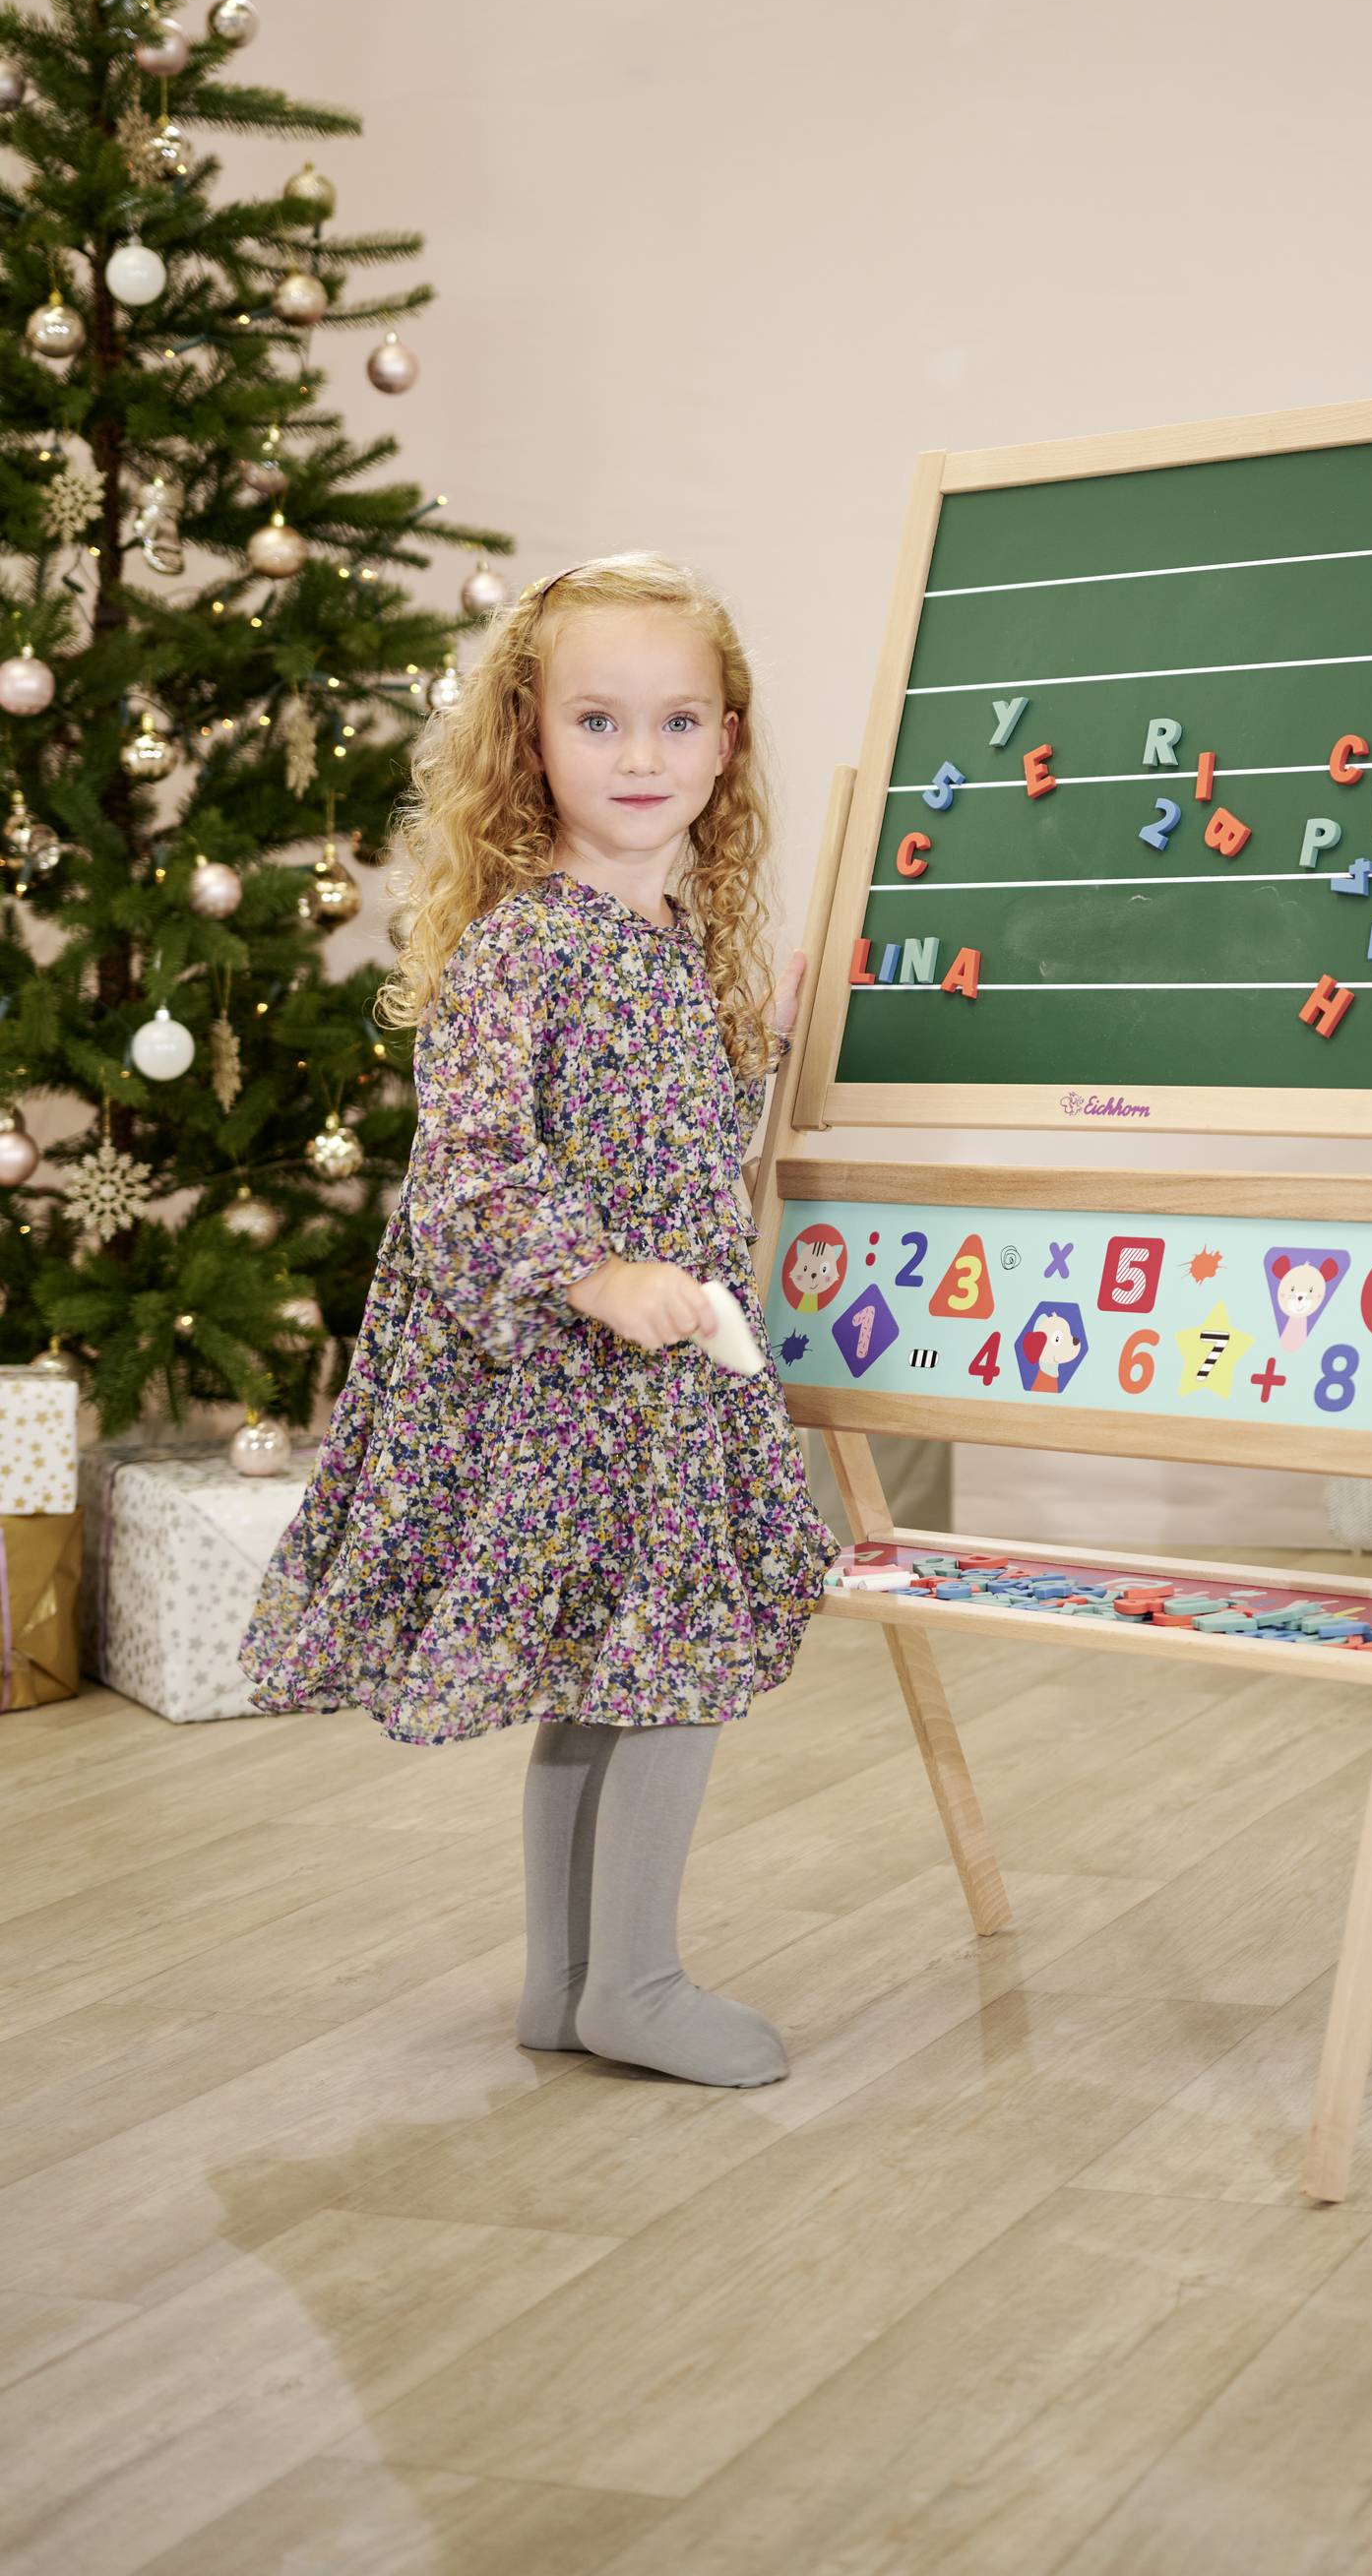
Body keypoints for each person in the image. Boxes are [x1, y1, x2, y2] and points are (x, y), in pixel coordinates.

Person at [239, 553, 837, 2090]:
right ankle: (635, 1979)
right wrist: (598, 1276)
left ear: (727, 743)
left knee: (608, 1664)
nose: (640, 759)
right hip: (578, 1373)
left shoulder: (682, 944)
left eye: (677, 721)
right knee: (670, 1665)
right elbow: (471, 1163)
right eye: (598, 721)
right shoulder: (524, 942)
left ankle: (568, 1979)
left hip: (659, 1376)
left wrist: (769, 1034)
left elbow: (690, 1126)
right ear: (530, 741)